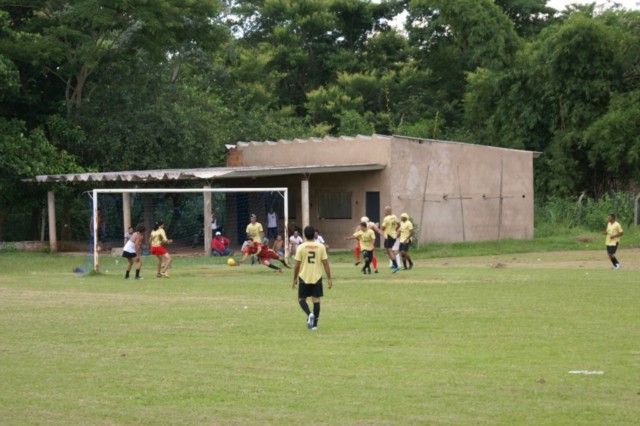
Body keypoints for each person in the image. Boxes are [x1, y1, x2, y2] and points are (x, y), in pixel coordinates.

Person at [292, 226, 332, 331]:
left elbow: (297, 265)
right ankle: (314, 325)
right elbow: (325, 263)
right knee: (316, 300)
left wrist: (294, 279)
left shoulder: (301, 247)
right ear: (314, 234)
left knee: (301, 300)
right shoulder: (321, 247)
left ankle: (309, 314)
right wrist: (329, 278)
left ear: (304, 235)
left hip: (304, 276)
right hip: (317, 277)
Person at [376, 206, 401, 273]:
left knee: (389, 251)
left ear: (387, 211)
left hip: (389, 236)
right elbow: (399, 224)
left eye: (385, 211)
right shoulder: (394, 217)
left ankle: (396, 265)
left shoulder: (386, 218)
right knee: (388, 251)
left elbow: (383, 228)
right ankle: (394, 264)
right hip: (393, 236)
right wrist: (395, 229)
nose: (384, 212)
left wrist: (379, 228)